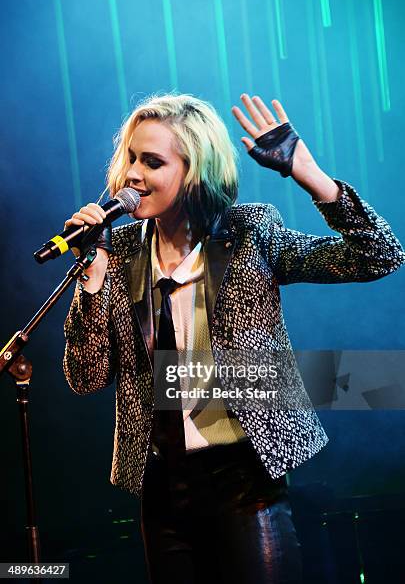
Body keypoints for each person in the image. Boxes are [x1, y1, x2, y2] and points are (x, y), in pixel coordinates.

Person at [63, 92, 405, 584]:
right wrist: (91, 278)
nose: (132, 175)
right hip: (161, 484)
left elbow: (378, 255)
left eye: (152, 162)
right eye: (131, 158)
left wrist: (308, 172)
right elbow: (86, 377)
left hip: (243, 479)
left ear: (195, 171)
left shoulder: (249, 235)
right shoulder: (116, 253)